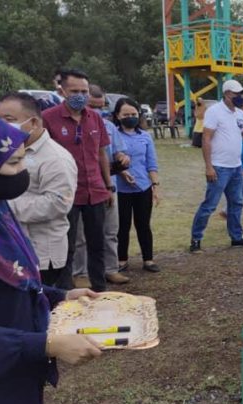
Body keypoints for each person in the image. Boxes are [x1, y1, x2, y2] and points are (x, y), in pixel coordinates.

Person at [0, 118, 102, 404]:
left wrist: (60, 296)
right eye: (14, 162)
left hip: (16, 376)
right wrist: (46, 345)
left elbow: (17, 282)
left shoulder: (2, 210)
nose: (23, 172)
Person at [43, 69, 127, 292]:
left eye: (84, 91)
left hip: (96, 191)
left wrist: (109, 186)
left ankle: (99, 290)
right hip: (66, 194)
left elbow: (101, 153)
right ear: (61, 90)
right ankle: (65, 293)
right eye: (74, 91)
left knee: (97, 243)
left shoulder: (95, 118)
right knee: (67, 246)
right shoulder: (48, 118)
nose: (80, 95)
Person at [0, 92, 77, 287]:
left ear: (33, 123)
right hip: (16, 247)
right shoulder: (8, 149)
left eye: (8, 120)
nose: (2, 126)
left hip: (42, 253)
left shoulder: (56, 158)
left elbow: (58, 203)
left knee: (39, 302)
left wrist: (7, 207)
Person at [189, 80, 243, 252]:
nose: (240, 97)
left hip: (236, 167)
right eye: (237, 94)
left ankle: (237, 237)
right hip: (219, 167)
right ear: (227, 94)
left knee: (236, 203)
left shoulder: (240, 114)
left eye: (241, 94)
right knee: (210, 205)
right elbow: (206, 139)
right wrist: (208, 166)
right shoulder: (214, 112)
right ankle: (196, 239)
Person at [72, 84, 131, 286]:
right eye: (93, 105)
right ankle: (80, 273)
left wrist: (123, 158)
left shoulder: (109, 127)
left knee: (110, 231)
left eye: (102, 105)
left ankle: (110, 269)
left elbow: (118, 152)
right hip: (81, 188)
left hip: (108, 186)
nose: (98, 110)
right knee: (81, 236)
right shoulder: (74, 125)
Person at [113, 98, 161, 273]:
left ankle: (148, 259)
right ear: (118, 116)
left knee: (143, 224)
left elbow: (152, 163)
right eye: (126, 114)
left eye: (133, 114)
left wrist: (155, 186)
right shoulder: (113, 135)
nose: (130, 117)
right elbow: (108, 160)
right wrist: (120, 171)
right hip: (120, 189)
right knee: (122, 226)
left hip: (143, 187)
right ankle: (121, 260)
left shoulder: (145, 137)